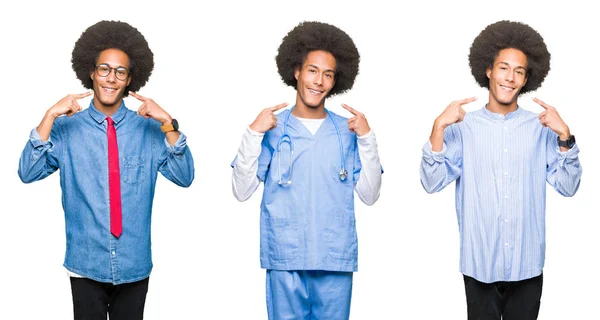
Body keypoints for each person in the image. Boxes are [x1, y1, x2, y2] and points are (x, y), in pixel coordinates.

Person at [18, 20, 194, 320]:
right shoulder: (65, 129)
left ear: (129, 80)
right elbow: (27, 172)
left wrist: (167, 122)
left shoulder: (149, 129)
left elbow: (185, 176)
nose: (111, 78)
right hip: (85, 264)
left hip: (134, 263)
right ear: (91, 72)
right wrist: (49, 116)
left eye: (120, 72)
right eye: (104, 69)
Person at [420, 20, 582, 319]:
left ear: (526, 79)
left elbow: (568, 186)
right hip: (479, 266)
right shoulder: (463, 127)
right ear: (488, 70)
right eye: (504, 68)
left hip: (527, 264)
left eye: (519, 71)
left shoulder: (540, 127)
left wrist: (565, 137)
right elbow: (431, 182)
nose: (510, 78)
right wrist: (438, 127)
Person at [231, 21, 382, 319]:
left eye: (328, 74)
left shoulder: (347, 131)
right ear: (297, 71)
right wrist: (252, 133)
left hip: (334, 258)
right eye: (312, 70)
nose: (319, 81)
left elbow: (370, 194)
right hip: (286, 257)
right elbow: (241, 189)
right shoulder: (272, 128)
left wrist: (367, 139)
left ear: (336, 80)